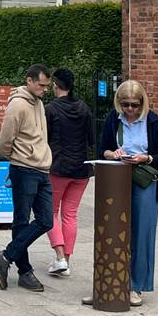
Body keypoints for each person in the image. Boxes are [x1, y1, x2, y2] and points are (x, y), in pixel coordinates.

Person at [91, 80, 158, 307]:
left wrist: (146, 157)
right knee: (113, 230)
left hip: (145, 180)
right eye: (125, 104)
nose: (130, 109)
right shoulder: (113, 119)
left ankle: (136, 285)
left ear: (142, 103)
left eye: (135, 105)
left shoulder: (152, 120)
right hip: (117, 177)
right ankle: (110, 283)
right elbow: (102, 149)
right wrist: (112, 154)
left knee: (142, 234)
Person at [0, 64, 53, 293]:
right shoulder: (17, 104)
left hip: (42, 168)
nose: (45, 89)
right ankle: (25, 272)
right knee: (21, 220)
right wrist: (16, 157)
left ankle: (5, 257)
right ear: (29, 81)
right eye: (41, 85)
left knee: (46, 220)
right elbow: (4, 141)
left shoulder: (39, 103)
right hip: (24, 168)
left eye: (47, 86)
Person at [44, 68, 93, 277]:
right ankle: (66, 261)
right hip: (82, 169)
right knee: (70, 215)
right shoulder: (84, 108)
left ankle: (60, 257)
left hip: (58, 168)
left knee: (49, 212)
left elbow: (44, 139)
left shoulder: (50, 109)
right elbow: (91, 138)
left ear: (55, 85)